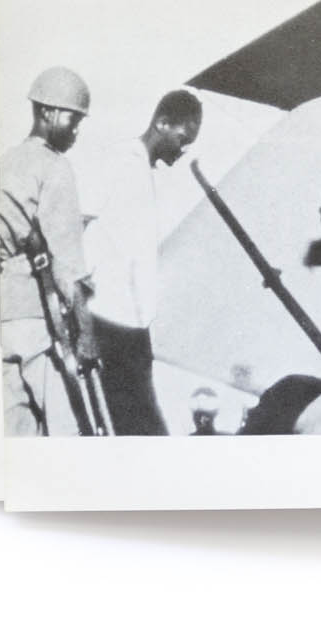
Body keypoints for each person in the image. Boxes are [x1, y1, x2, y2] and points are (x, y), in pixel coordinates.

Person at [80, 89, 203, 435]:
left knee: (142, 425)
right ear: (162, 123)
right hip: (105, 318)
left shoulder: (144, 171)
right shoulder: (120, 159)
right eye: (182, 139)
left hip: (134, 323)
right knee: (134, 427)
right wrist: (80, 315)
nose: (183, 150)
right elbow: (79, 224)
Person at [0, 67, 98, 436]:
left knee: (17, 439)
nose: (76, 131)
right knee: (68, 437)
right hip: (42, 323)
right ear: (48, 112)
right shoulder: (55, 167)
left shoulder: (4, 163)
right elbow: (68, 266)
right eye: (73, 119)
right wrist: (86, 334)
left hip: (2, 322)